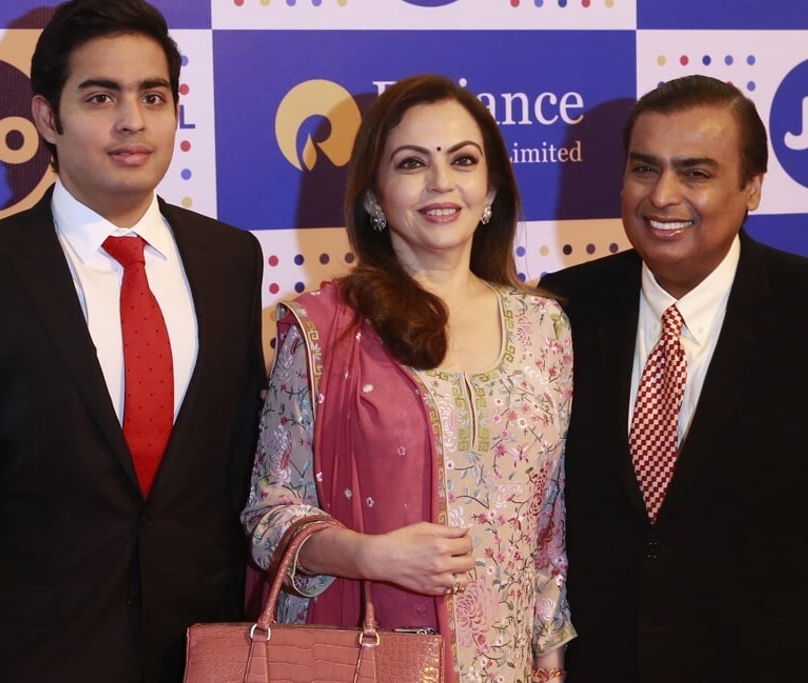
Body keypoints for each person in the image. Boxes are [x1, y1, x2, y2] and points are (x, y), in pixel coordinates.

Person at [0, 0, 265, 683]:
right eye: (99, 97)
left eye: (153, 96)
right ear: (46, 118)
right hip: (31, 657)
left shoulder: (232, 260)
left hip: (201, 653)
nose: (131, 122)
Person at [539, 74, 808, 682]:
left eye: (696, 173)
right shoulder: (563, 309)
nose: (662, 196)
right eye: (644, 169)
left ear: (752, 187)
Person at [241, 74, 576, 683]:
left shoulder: (544, 327)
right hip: (372, 658)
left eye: (463, 160)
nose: (440, 183)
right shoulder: (325, 330)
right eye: (411, 163)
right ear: (374, 198)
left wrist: (548, 662)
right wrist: (373, 555)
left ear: (492, 188)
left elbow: (548, 528)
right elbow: (269, 516)